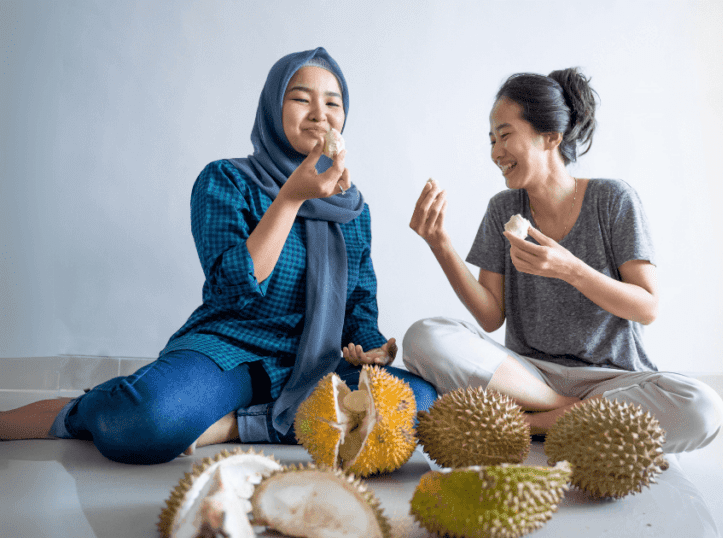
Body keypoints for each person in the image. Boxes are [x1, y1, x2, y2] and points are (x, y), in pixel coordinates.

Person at [0, 48, 437, 464]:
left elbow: (359, 309)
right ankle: (90, 406)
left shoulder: (353, 211)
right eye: (300, 98)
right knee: (147, 422)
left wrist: (372, 349)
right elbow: (233, 289)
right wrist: (290, 199)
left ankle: (233, 426)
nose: (320, 114)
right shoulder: (226, 180)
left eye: (333, 103)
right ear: (272, 107)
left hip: (316, 368)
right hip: (231, 352)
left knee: (422, 405)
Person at [405, 68, 723, 453]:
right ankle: (563, 414)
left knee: (703, 407)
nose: (495, 153)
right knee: (424, 336)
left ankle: (527, 426)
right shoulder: (502, 208)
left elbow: (648, 307)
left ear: (550, 136)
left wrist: (570, 269)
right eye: (491, 140)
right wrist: (440, 244)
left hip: (610, 381)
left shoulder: (613, 199)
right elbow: (491, 317)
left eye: (505, 135)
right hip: (528, 378)